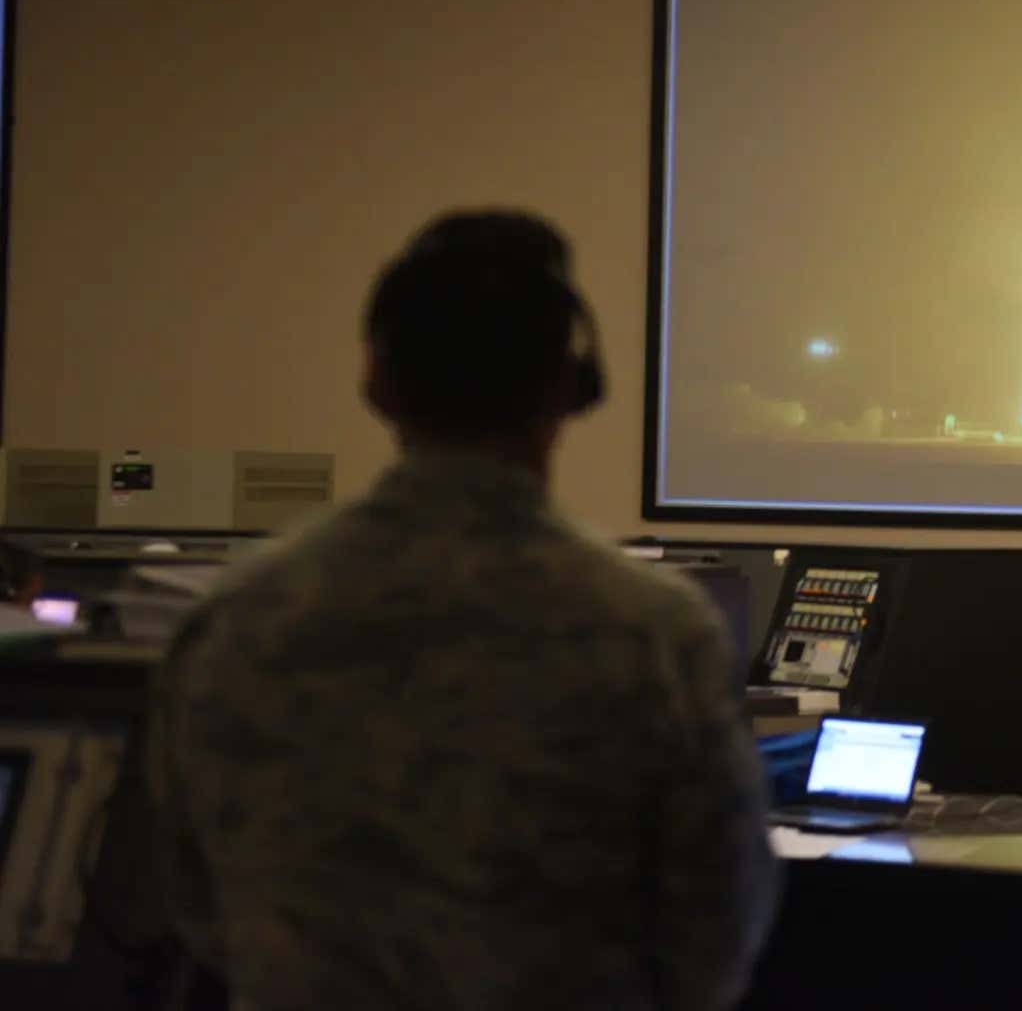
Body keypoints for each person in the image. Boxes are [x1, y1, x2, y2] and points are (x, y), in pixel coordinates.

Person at [148, 210, 777, 1011]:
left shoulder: (233, 617)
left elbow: (193, 907)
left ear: (376, 379)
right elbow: (717, 930)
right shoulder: (654, 632)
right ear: (570, 385)